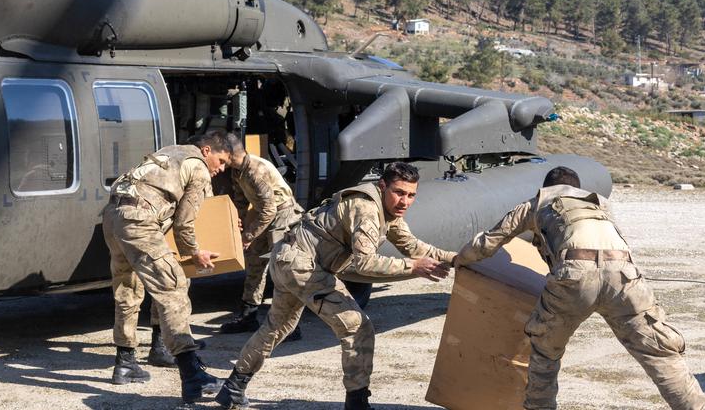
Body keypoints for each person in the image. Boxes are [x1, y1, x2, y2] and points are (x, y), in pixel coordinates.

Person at [454, 166, 705, 410]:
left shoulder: (537, 203)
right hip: (625, 276)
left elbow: (489, 242)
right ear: (577, 188)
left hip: (573, 276)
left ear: (547, 188)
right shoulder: (600, 204)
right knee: (660, 353)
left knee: (545, 354)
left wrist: (458, 259)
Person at [216, 161, 455, 410]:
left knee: (276, 328)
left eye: (411, 195)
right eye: (399, 192)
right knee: (357, 327)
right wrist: (412, 268)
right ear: (383, 186)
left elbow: (413, 246)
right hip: (303, 267)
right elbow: (365, 263)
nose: (404, 201)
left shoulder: (387, 210)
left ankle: (233, 387)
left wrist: (455, 258)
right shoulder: (366, 209)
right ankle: (357, 403)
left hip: (289, 260)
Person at [102, 131, 232, 404]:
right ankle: (192, 374)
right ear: (207, 150)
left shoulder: (171, 151)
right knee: (173, 287)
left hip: (114, 215)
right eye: (221, 161)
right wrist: (194, 253)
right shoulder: (198, 166)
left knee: (128, 287)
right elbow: (187, 222)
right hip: (140, 220)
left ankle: (126, 362)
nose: (221, 169)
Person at [219, 133, 304, 338]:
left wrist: (248, 235)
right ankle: (249, 316)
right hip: (263, 214)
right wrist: (237, 223)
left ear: (229, 154)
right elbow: (240, 200)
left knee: (282, 269)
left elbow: (269, 209)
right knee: (255, 263)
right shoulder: (237, 171)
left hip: (282, 215)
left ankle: (289, 324)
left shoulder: (256, 170)